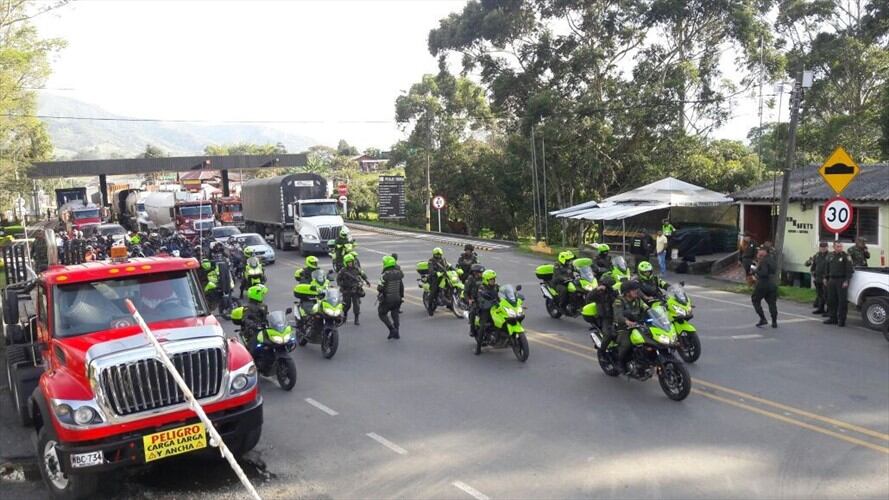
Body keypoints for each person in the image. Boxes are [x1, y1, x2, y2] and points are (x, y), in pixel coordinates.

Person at [612, 280, 648, 372]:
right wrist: (626, 321)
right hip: (623, 327)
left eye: (636, 289)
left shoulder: (638, 300)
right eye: (633, 290)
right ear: (627, 292)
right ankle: (619, 362)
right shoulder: (619, 301)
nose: (636, 291)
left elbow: (646, 308)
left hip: (638, 325)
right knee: (626, 344)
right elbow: (618, 316)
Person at [824, 241, 854, 327]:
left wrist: (846, 280)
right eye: (837, 246)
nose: (840, 248)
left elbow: (849, 270)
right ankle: (833, 318)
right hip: (831, 280)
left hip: (841, 280)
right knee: (831, 300)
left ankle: (841, 320)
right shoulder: (830, 255)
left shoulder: (846, 256)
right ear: (833, 247)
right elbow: (827, 267)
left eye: (841, 246)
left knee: (842, 301)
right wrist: (825, 278)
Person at [337, 253, 370, 325]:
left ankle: (356, 319)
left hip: (355, 290)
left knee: (356, 305)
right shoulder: (343, 270)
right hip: (346, 290)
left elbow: (362, 274)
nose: (350, 263)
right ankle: (345, 315)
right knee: (346, 305)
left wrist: (367, 281)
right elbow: (338, 279)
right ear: (345, 263)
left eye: (351, 262)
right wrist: (342, 286)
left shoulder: (357, 268)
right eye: (348, 262)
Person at [377, 255, 404, 339]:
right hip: (397, 298)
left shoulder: (384, 275)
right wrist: (401, 296)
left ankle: (392, 329)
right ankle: (397, 333)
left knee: (381, 313)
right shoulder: (399, 273)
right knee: (395, 314)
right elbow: (401, 286)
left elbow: (379, 288)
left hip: (387, 300)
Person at [751, 248, 778, 328]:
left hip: (763, 283)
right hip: (772, 284)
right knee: (772, 303)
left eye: (760, 251)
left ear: (764, 252)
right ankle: (774, 321)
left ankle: (763, 318)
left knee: (755, 299)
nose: (758, 253)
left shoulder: (764, 261)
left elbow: (763, 273)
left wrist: (755, 271)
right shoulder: (772, 260)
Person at [475, 269, 500, 352]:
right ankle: (478, 347)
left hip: (495, 307)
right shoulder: (481, 288)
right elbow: (480, 299)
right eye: (491, 279)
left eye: (494, 279)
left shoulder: (496, 286)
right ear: (486, 280)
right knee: (483, 325)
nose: (493, 281)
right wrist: (487, 303)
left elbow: (502, 293)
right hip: (485, 309)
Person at [805, 242, 829, 315]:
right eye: (821, 247)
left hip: (825, 278)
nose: (823, 249)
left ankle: (829, 310)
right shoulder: (817, 255)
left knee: (827, 295)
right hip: (817, 278)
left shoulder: (830, 255)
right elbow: (808, 264)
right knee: (820, 295)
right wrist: (812, 270)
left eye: (824, 247)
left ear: (827, 247)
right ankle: (820, 309)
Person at [464, 264, 485, 337]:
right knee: (473, 311)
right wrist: (469, 300)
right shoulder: (470, 280)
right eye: (480, 272)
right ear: (475, 273)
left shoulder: (485, 278)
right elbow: (465, 292)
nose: (481, 274)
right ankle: (472, 329)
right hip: (474, 300)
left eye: (482, 272)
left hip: (485, 299)